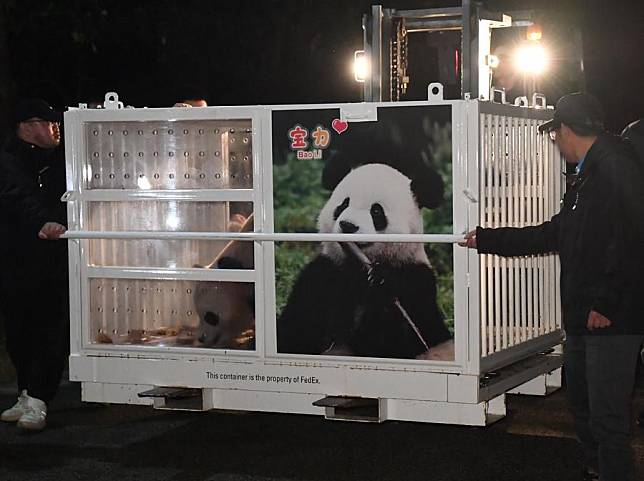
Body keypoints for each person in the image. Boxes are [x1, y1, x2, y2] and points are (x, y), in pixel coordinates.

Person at [460, 93, 644, 481]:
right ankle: (597, 468)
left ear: (566, 130)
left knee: (608, 417)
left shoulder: (615, 169)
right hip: (584, 317)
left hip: (610, 320)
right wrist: (489, 239)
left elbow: (633, 240)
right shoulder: (589, 174)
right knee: (583, 405)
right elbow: (556, 232)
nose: (555, 142)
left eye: (554, 133)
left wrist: (605, 303)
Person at [0, 98, 68, 431]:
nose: (56, 128)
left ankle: (40, 397)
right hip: (16, 257)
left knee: (50, 326)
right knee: (18, 328)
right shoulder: (8, 159)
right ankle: (26, 393)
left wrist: (52, 223)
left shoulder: (63, 161)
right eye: (48, 122)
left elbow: (72, 197)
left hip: (52, 259)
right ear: (27, 126)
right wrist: (41, 222)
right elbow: (15, 194)